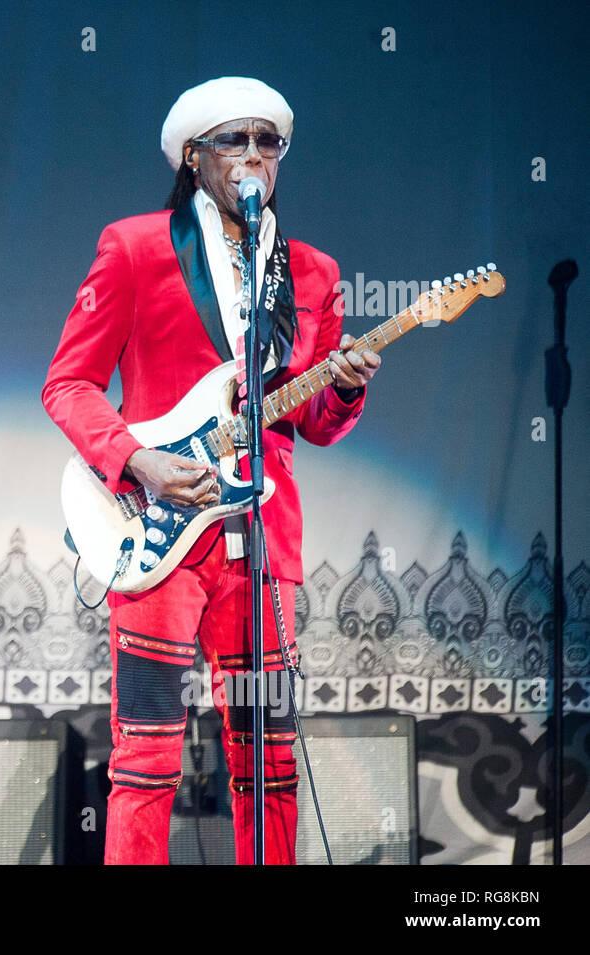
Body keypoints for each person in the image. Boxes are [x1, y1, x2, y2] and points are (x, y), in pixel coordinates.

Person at [42, 78, 380, 864]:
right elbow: (68, 382)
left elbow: (312, 424)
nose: (256, 155)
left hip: (261, 542)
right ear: (194, 158)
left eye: (270, 141)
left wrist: (347, 389)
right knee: (146, 758)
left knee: (271, 766)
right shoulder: (136, 247)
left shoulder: (313, 272)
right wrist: (138, 460)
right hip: (162, 535)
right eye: (236, 140)